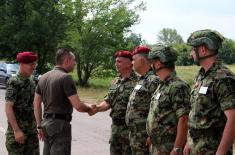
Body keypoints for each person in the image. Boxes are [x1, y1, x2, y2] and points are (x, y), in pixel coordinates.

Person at [33, 48, 94, 155]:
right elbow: (78, 106)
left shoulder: (43, 77)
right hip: (60, 126)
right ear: (67, 60)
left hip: (46, 124)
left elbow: (36, 103)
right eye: (74, 60)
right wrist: (90, 108)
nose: (75, 63)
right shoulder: (66, 78)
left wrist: (39, 125)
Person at [184, 29, 235, 155]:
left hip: (213, 150)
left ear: (202, 50)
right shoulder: (201, 76)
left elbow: (233, 118)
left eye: (192, 49)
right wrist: (188, 142)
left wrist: (221, 153)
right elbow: (195, 113)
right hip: (195, 148)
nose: (191, 54)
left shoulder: (223, 77)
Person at [146, 45, 190, 155]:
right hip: (157, 146)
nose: (151, 65)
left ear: (159, 63)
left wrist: (177, 148)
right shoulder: (162, 85)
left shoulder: (177, 86)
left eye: (152, 62)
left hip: (169, 147)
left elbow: (184, 119)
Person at [92, 50, 138, 155]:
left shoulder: (139, 82)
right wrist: (97, 108)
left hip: (130, 130)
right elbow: (109, 102)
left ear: (129, 63)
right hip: (116, 128)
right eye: (116, 61)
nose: (116, 64)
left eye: (119, 62)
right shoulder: (115, 81)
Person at [125, 46, 159, 155]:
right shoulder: (141, 80)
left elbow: (158, 110)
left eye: (134, 60)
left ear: (142, 60)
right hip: (135, 134)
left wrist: (152, 135)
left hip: (145, 135)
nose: (132, 63)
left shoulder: (153, 80)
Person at [5, 51, 39, 155]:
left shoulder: (32, 80)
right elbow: (8, 107)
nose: (34, 67)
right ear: (21, 64)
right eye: (31, 64)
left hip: (32, 132)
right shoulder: (14, 82)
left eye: (35, 64)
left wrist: (39, 125)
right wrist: (16, 130)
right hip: (19, 133)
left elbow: (35, 104)